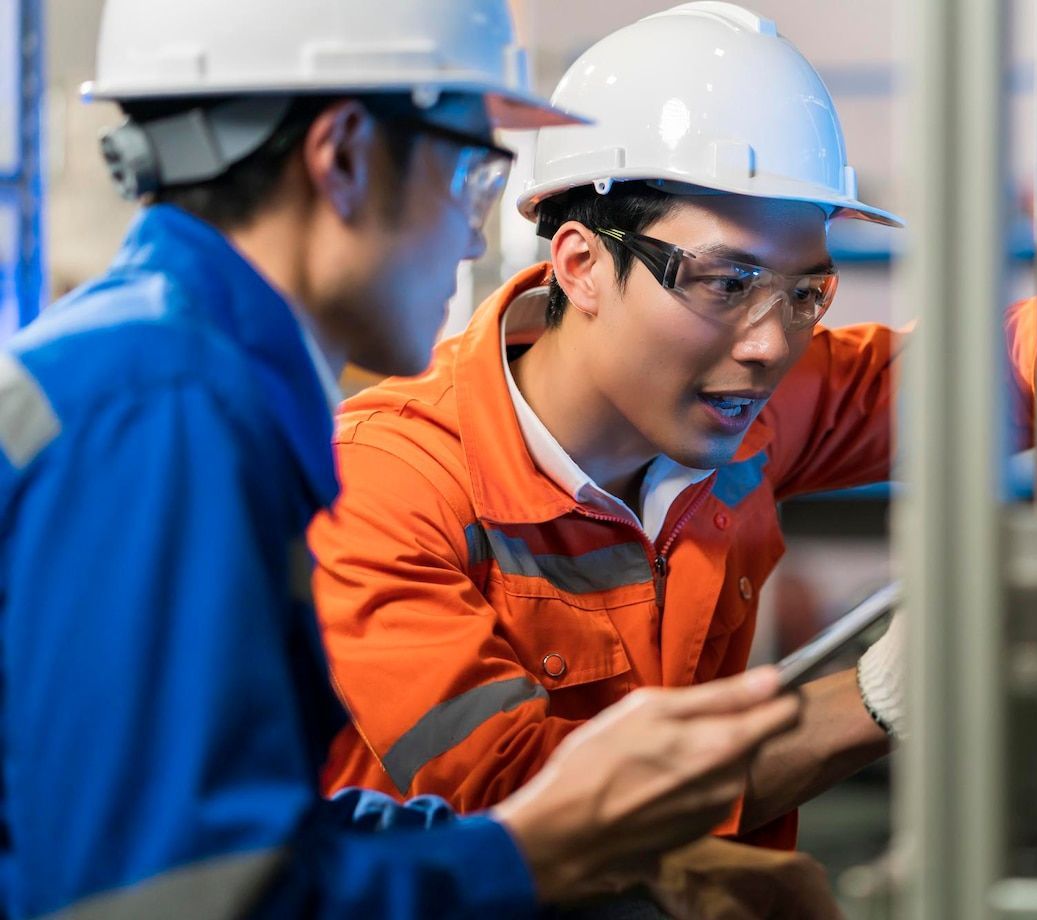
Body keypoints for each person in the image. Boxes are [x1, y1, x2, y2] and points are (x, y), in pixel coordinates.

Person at [309, 0, 1037, 856]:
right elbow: (516, 806)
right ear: (580, 265)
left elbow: (993, 362)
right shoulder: (384, 484)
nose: (772, 342)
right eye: (726, 282)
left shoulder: (745, 407)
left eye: (805, 292)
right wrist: (878, 698)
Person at [0, 0, 809, 916]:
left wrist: (591, 850)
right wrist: (528, 857)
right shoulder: (169, 410)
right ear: (342, 156)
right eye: (470, 174)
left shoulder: (170, 370)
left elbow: (248, 834)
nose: (475, 234)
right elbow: (170, 901)